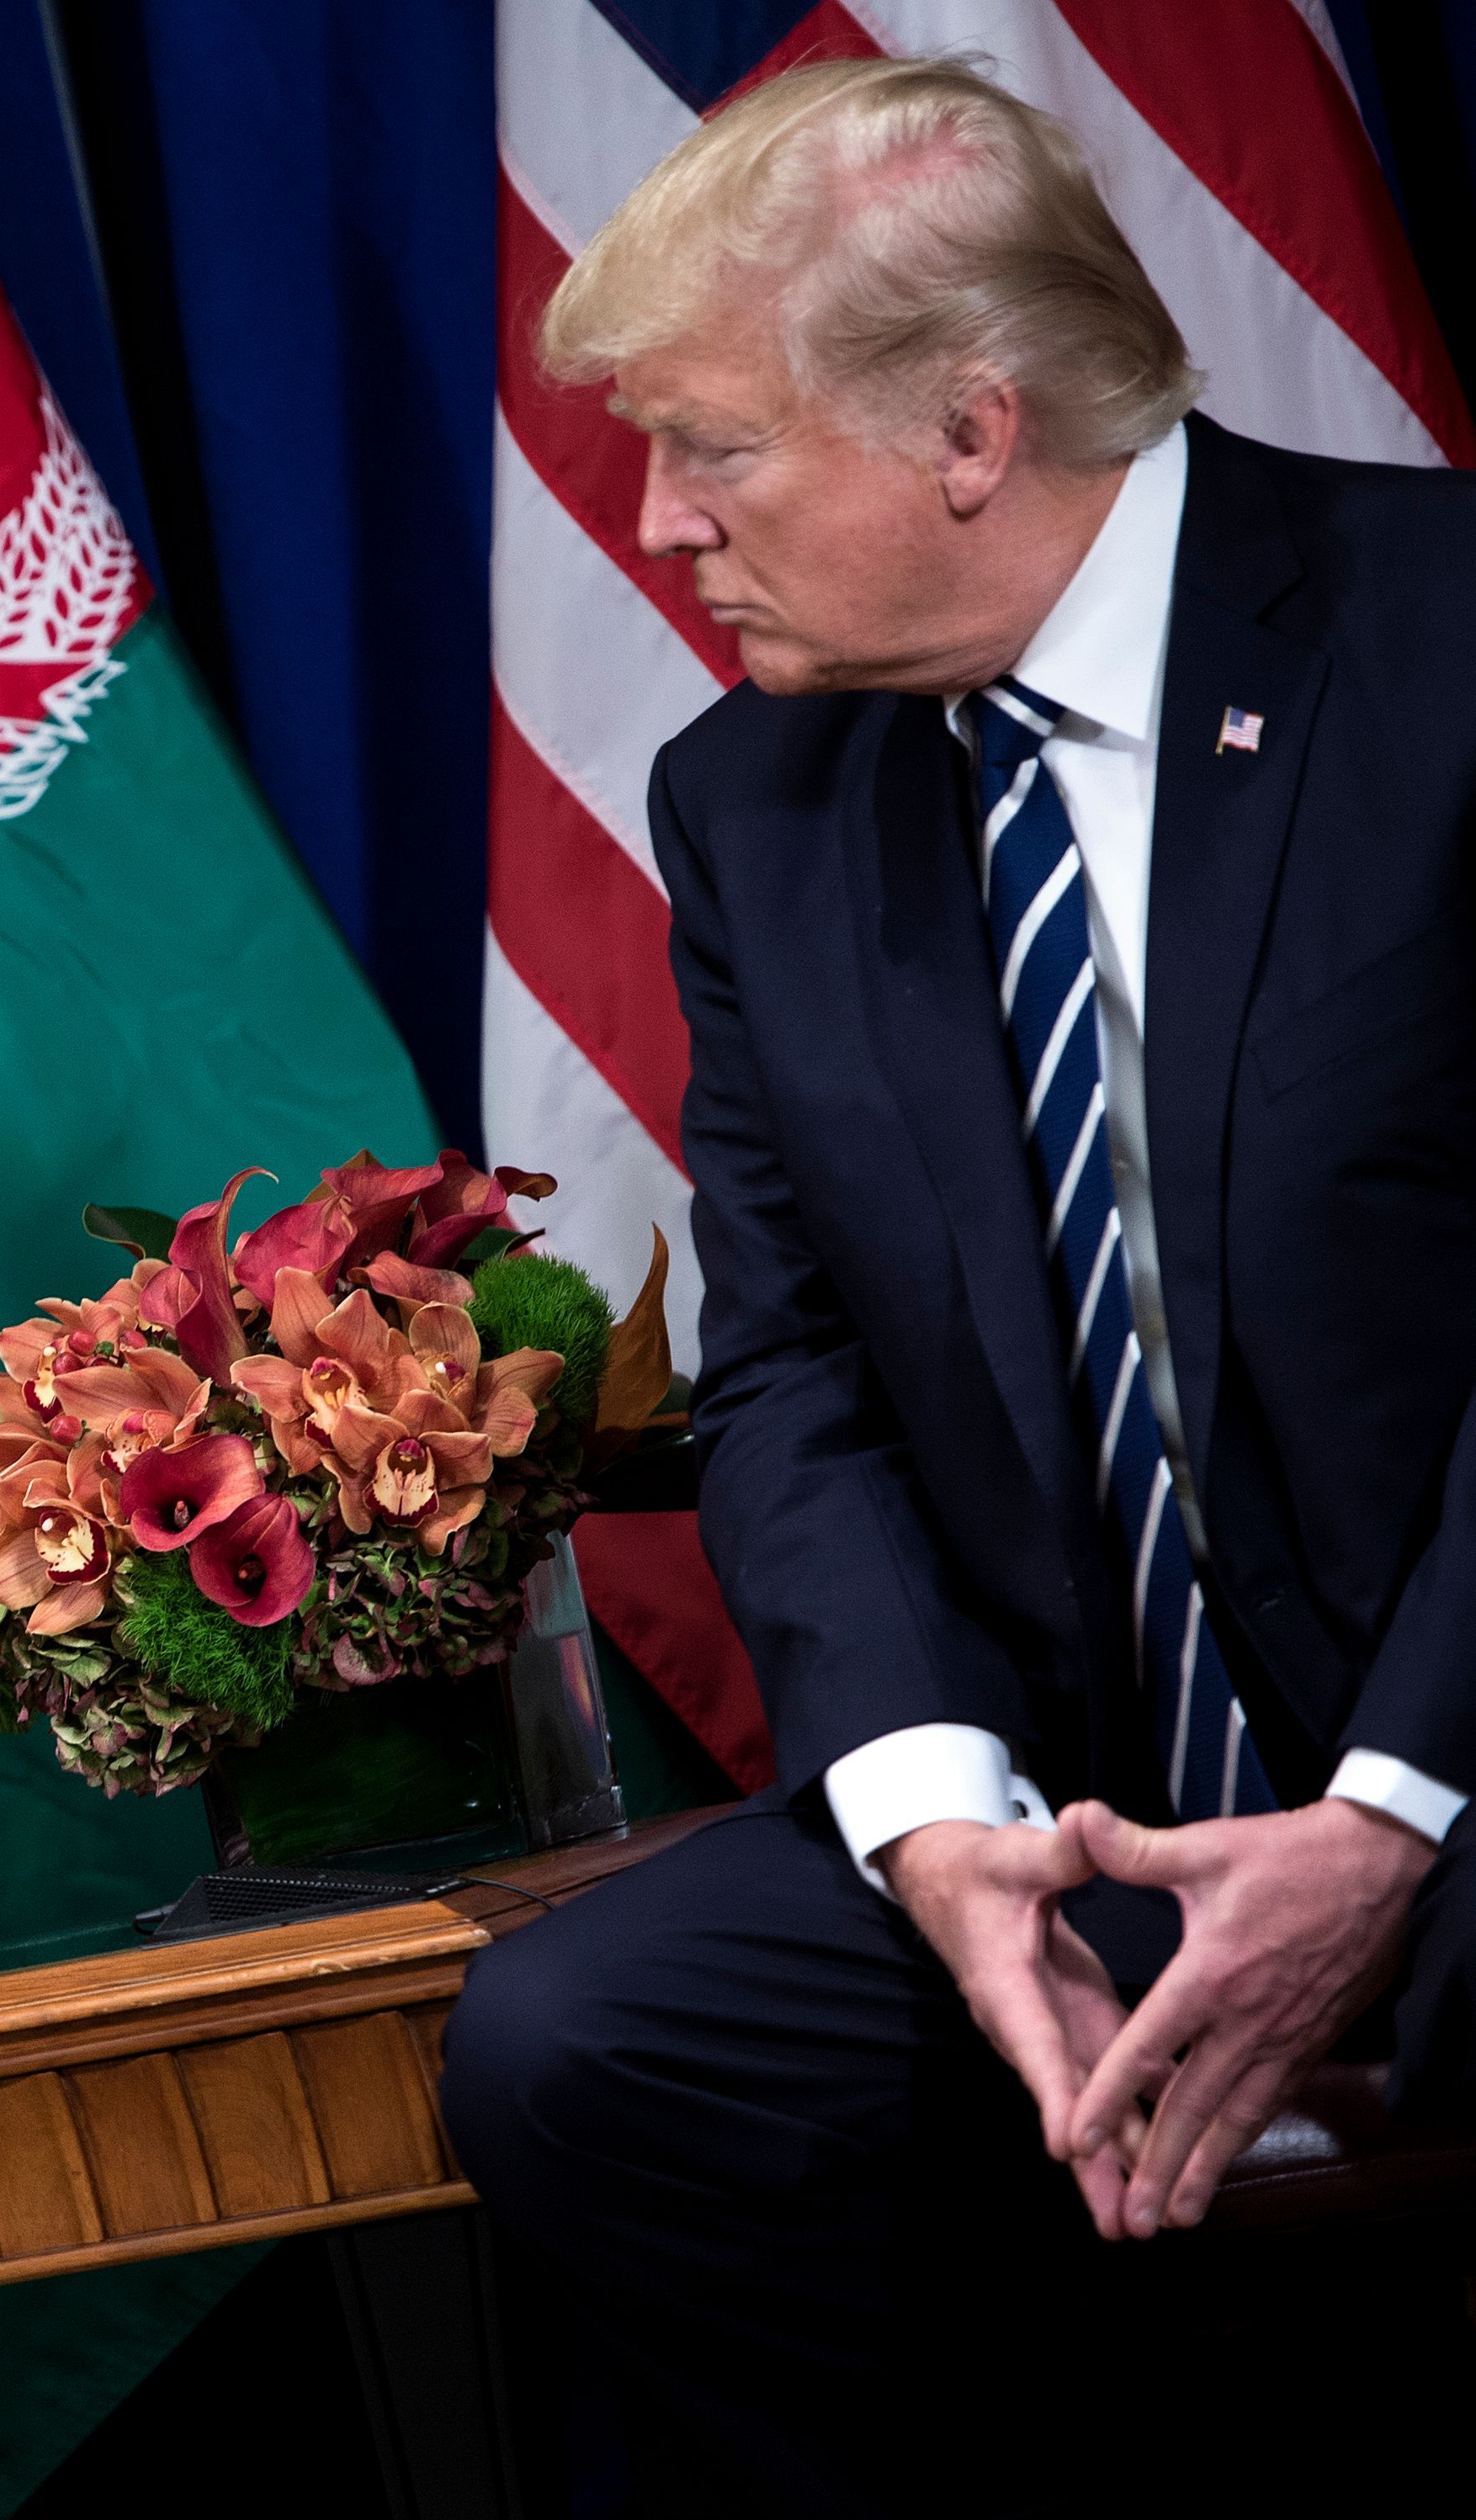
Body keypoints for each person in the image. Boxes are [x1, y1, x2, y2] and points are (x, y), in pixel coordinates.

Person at [438, 56, 1476, 2510]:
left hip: (1458, 1763)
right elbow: (789, 1370)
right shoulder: (756, 804)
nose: (659, 529)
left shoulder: (1442, 643)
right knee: (587, 2050)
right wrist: (933, 1831)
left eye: (713, 449)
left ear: (971, 429)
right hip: (1084, 1817)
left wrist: (1389, 1814)